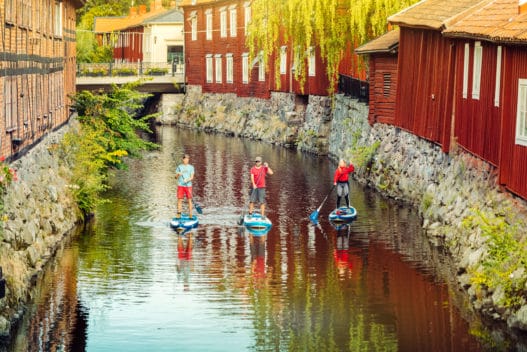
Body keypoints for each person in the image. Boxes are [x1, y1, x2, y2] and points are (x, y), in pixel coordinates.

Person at [175, 154, 195, 218]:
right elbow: (175, 177)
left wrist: (187, 179)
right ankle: (179, 214)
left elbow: (192, 177)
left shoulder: (191, 167)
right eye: (185, 159)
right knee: (179, 199)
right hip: (180, 185)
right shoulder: (179, 167)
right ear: (183, 159)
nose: (186, 160)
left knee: (189, 200)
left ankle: (190, 214)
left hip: (188, 186)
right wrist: (178, 174)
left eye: (187, 159)